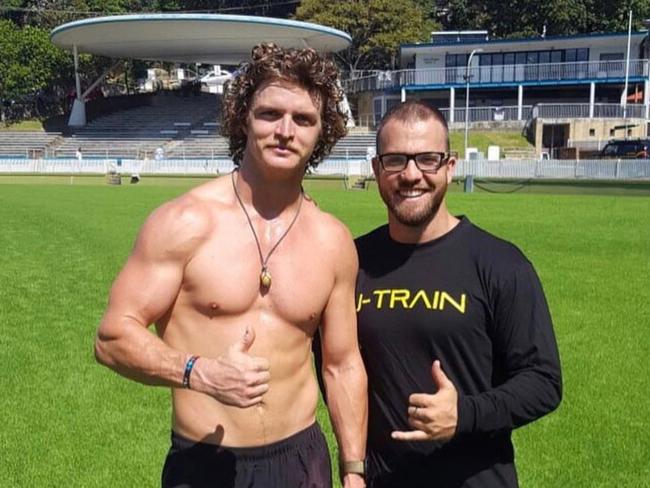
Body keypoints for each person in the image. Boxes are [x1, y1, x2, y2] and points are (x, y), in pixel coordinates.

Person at [95, 43, 367, 488]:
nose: (285, 130)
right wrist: (196, 371)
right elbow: (111, 339)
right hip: (205, 463)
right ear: (244, 117)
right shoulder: (184, 222)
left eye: (304, 119)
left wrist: (354, 470)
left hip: (302, 461)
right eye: (270, 114)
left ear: (323, 132)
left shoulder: (332, 241)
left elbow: (342, 364)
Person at [355, 100, 562, 487]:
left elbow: (544, 381)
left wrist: (464, 414)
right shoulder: (353, 263)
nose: (411, 174)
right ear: (377, 170)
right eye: (396, 160)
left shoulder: (499, 263)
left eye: (427, 159)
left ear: (450, 167)